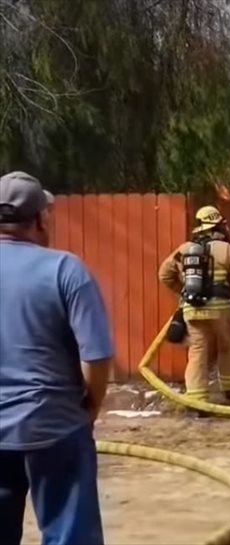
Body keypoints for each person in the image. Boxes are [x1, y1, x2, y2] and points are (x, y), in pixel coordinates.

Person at [0, 171, 113, 545]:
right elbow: (96, 356)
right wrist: (90, 406)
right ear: (40, 219)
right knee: (71, 535)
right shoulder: (66, 269)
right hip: (55, 427)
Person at [159, 205, 230, 405]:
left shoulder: (184, 250)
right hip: (221, 309)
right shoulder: (227, 250)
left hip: (192, 308)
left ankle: (197, 399)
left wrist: (183, 289)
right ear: (217, 225)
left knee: (197, 350)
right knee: (227, 346)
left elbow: (164, 274)